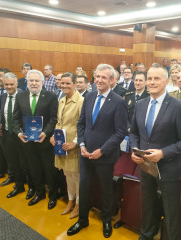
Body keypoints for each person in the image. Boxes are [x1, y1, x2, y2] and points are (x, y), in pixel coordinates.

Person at [129, 63, 181, 240]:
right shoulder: (140, 104)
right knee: (148, 205)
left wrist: (163, 153)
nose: (151, 82)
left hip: (169, 168)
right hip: (145, 166)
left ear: (166, 81)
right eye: (149, 78)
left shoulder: (178, 106)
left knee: (170, 211)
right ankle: (146, 235)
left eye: (156, 78)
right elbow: (134, 132)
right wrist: (134, 150)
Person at [67, 64, 128, 238]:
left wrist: (102, 150)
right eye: (97, 77)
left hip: (105, 156)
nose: (99, 80)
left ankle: (107, 220)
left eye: (104, 77)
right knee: (84, 187)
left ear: (111, 80)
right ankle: (82, 220)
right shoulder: (90, 96)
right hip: (85, 153)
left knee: (105, 190)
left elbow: (120, 132)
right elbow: (82, 124)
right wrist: (82, 144)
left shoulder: (118, 102)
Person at [13, 69, 59, 209]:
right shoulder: (20, 96)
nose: (34, 83)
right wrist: (19, 133)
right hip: (27, 141)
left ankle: (52, 196)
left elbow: (53, 119)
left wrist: (46, 132)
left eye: (36, 80)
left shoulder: (50, 96)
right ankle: (39, 193)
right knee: (34, 169)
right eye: (31, 80)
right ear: (26, 82)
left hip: (44, 141)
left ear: (42, 82)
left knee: (49, 170)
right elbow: (15, 118)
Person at [50, 72, 84, 219]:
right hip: (61, 144)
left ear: (75, 84)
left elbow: (83, 126)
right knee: (67, 175)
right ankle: (70, 201)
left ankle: (78, 205)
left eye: (67, 83)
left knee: (77, 176)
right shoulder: (62, 100)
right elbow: (59, 121)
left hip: (73, 146)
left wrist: (75, 143)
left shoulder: (81, 101)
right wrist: (53, 135)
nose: (64, 86)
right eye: (62, 83)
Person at [0, 72, 35, 199]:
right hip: (8, 135)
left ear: (17, 84)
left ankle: (31, 187)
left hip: (22, 135)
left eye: (11, 84)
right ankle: (19, 186)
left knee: (26, 163)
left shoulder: (24, 96)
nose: (9, 87)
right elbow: (2, 115)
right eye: (6, 84)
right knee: (13, 162)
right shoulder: (2, 97)